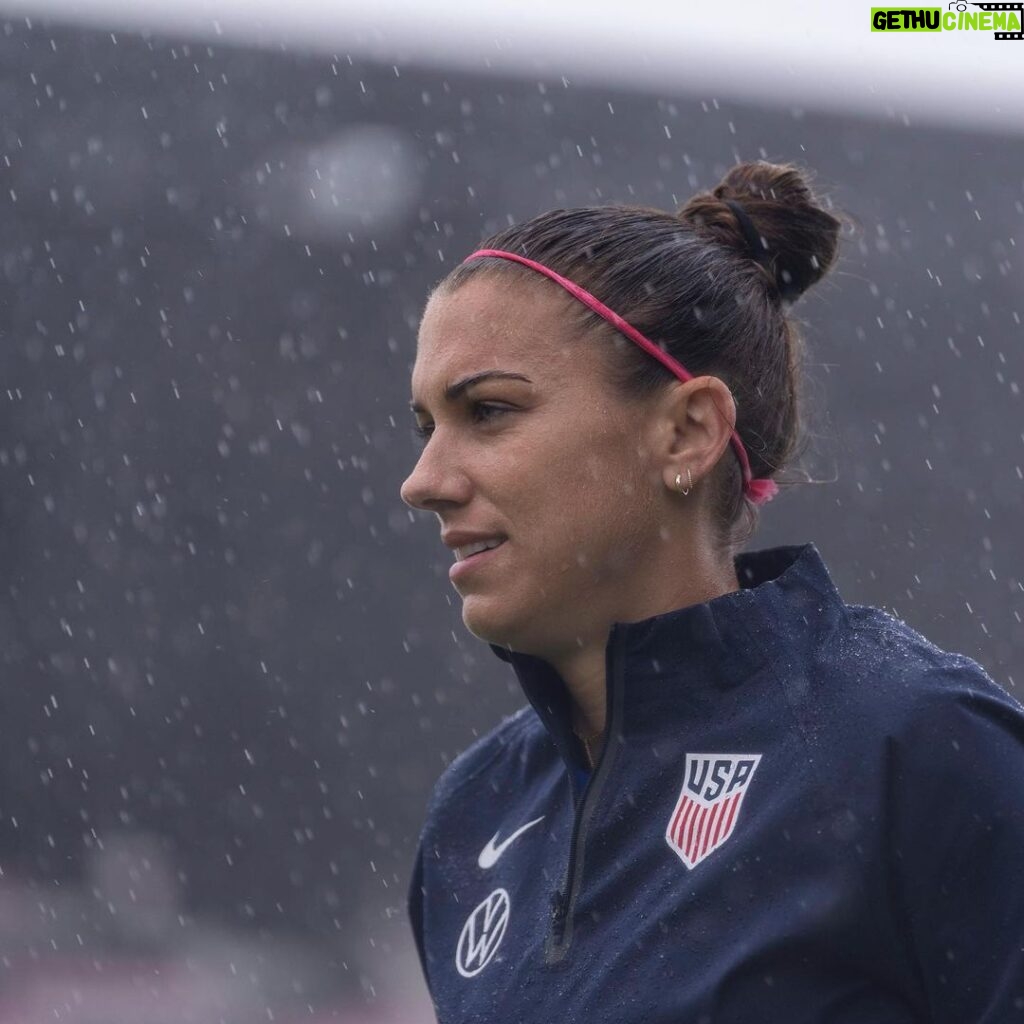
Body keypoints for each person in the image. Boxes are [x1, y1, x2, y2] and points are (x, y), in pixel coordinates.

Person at [398, 159, 1024, 1023]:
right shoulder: (475, 813)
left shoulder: (917, 748)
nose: (422, 481)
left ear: (688, 432)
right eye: (428, 427)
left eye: (490, 412)